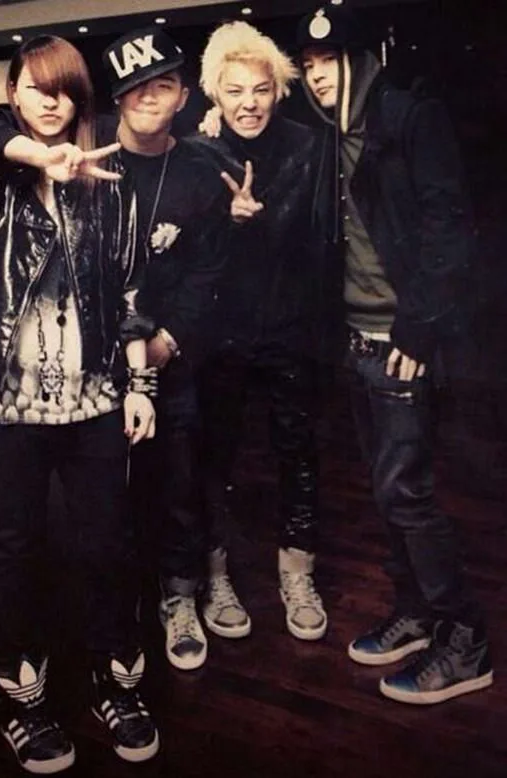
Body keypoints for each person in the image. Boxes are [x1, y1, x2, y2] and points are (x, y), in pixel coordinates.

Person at [0, 27, 230, 672]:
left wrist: (157, 358)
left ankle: (168, 613)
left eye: (163, 85)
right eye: (135, 88)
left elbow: (192, 277)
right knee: (37, 538)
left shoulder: (187, 169)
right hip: (41, 388)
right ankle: (36, 670)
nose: (148, 98)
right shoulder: (28, 160)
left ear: (184, 96)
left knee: (165, 495)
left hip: (144, 365)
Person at [0, 35, 160, 773]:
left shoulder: (112, 185)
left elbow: (131, 295)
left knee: (108, 547)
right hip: (9, 406)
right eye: (34, 87)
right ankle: (23, 701)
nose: (50, 101)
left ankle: (116, 685)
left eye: (63, 89)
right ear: (12, 94)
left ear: (80, 98)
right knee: (13, 553)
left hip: (94, 404)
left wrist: (140, 387)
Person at [297, 1, 493, 703]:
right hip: (355, 339)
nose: (318, 77)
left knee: (404, 493)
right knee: (386, 495)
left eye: (328, 63)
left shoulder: (409, 117)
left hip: (400, 341)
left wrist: (417, 327)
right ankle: (415, 612)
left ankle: (465, 640)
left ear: (358, 60)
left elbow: (449, 228)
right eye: (308, 67)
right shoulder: (325, 137)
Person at [190, 21, 328, 642]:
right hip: (221, 334)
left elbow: (321, 239)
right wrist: (227, 222)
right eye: (234, 90)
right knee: (214, 456)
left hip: (292, 327)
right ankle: (215, 575)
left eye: (260, 89)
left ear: (278, 90)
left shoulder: (309, 145)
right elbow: (185, 253)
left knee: (298, 452)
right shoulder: (199, 152)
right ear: (214, 95)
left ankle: (298, 575)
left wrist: (260, 222)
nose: (249, 103)